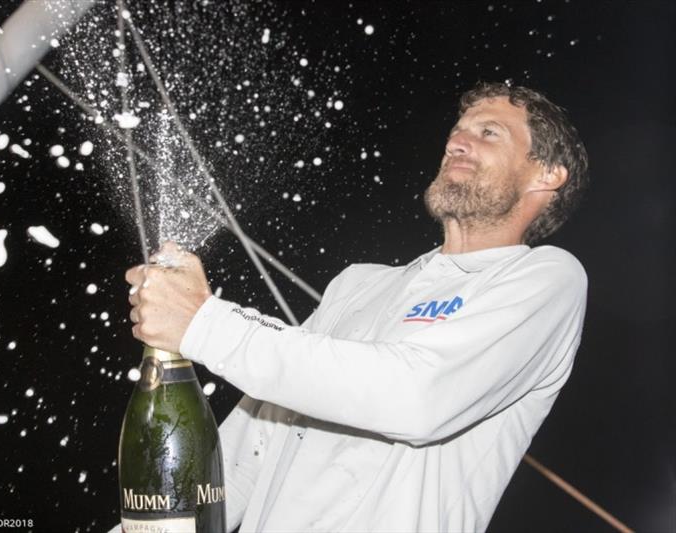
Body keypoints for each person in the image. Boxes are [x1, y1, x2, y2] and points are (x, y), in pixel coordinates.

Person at [122, 81, 589, 532]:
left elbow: (416, 397)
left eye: (489, 132)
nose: (458, 143)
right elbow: (248, 452)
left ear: (547, 174)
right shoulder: (358, 284)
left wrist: (204, 323)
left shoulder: (546, 279)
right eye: (456, 132)